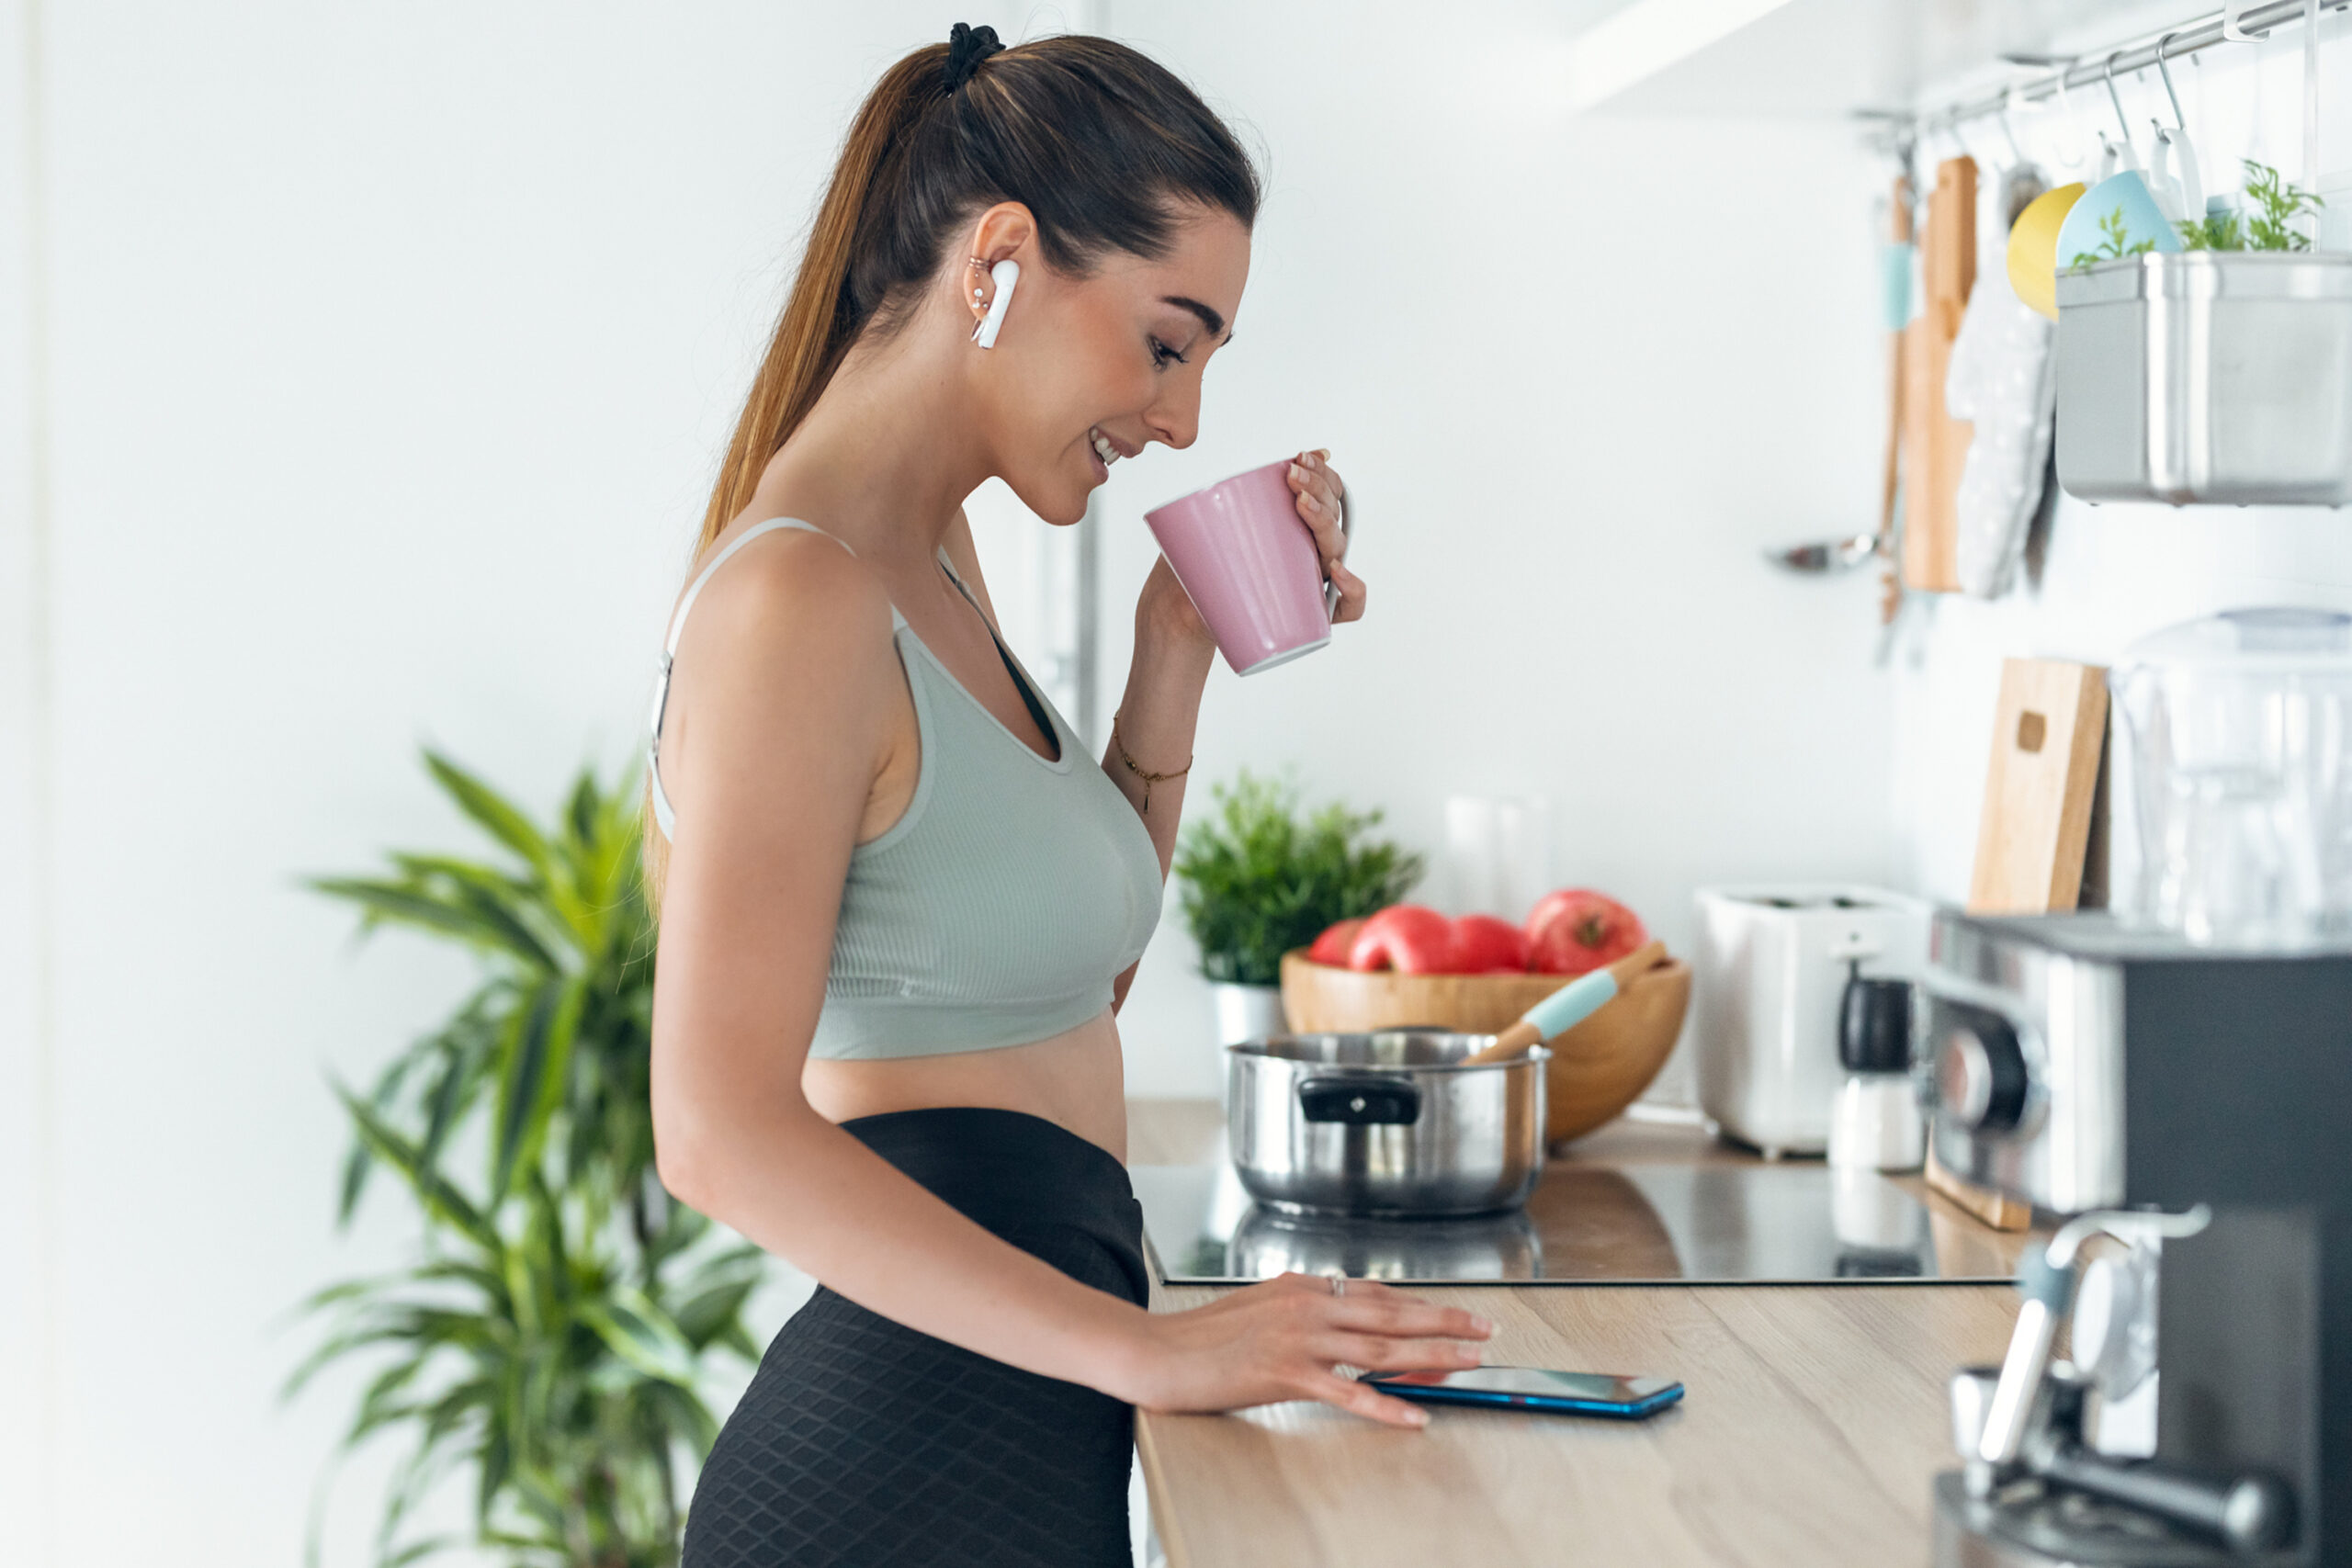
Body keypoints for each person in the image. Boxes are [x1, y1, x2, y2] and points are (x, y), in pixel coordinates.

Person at [647, 24, 1492, 1567]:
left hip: (1012, 1414)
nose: (1182, 422)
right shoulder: (799, 602)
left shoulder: (932, 563)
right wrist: (1155, 1351)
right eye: (1170, 344)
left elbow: (1065, 990)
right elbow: (713, 1131)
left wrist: (1176, 650)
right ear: (1004, 260)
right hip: (900, 1474)